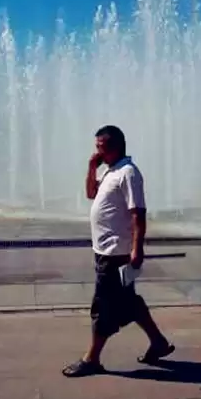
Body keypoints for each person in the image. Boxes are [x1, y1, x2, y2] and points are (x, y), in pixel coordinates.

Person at [62, 125, 174, 377]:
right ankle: (158, 342)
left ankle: (92, 359)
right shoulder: (110, 171)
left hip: (115, 253)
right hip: (104, 250)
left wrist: (137, 248)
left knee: (102, 306)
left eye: (100, 147)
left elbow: (138, 214)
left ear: (115, 147)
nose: (97, 152)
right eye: (96, 147)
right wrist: (91, 168)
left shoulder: (128, 173)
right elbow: (91, 193)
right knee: (129, 303)